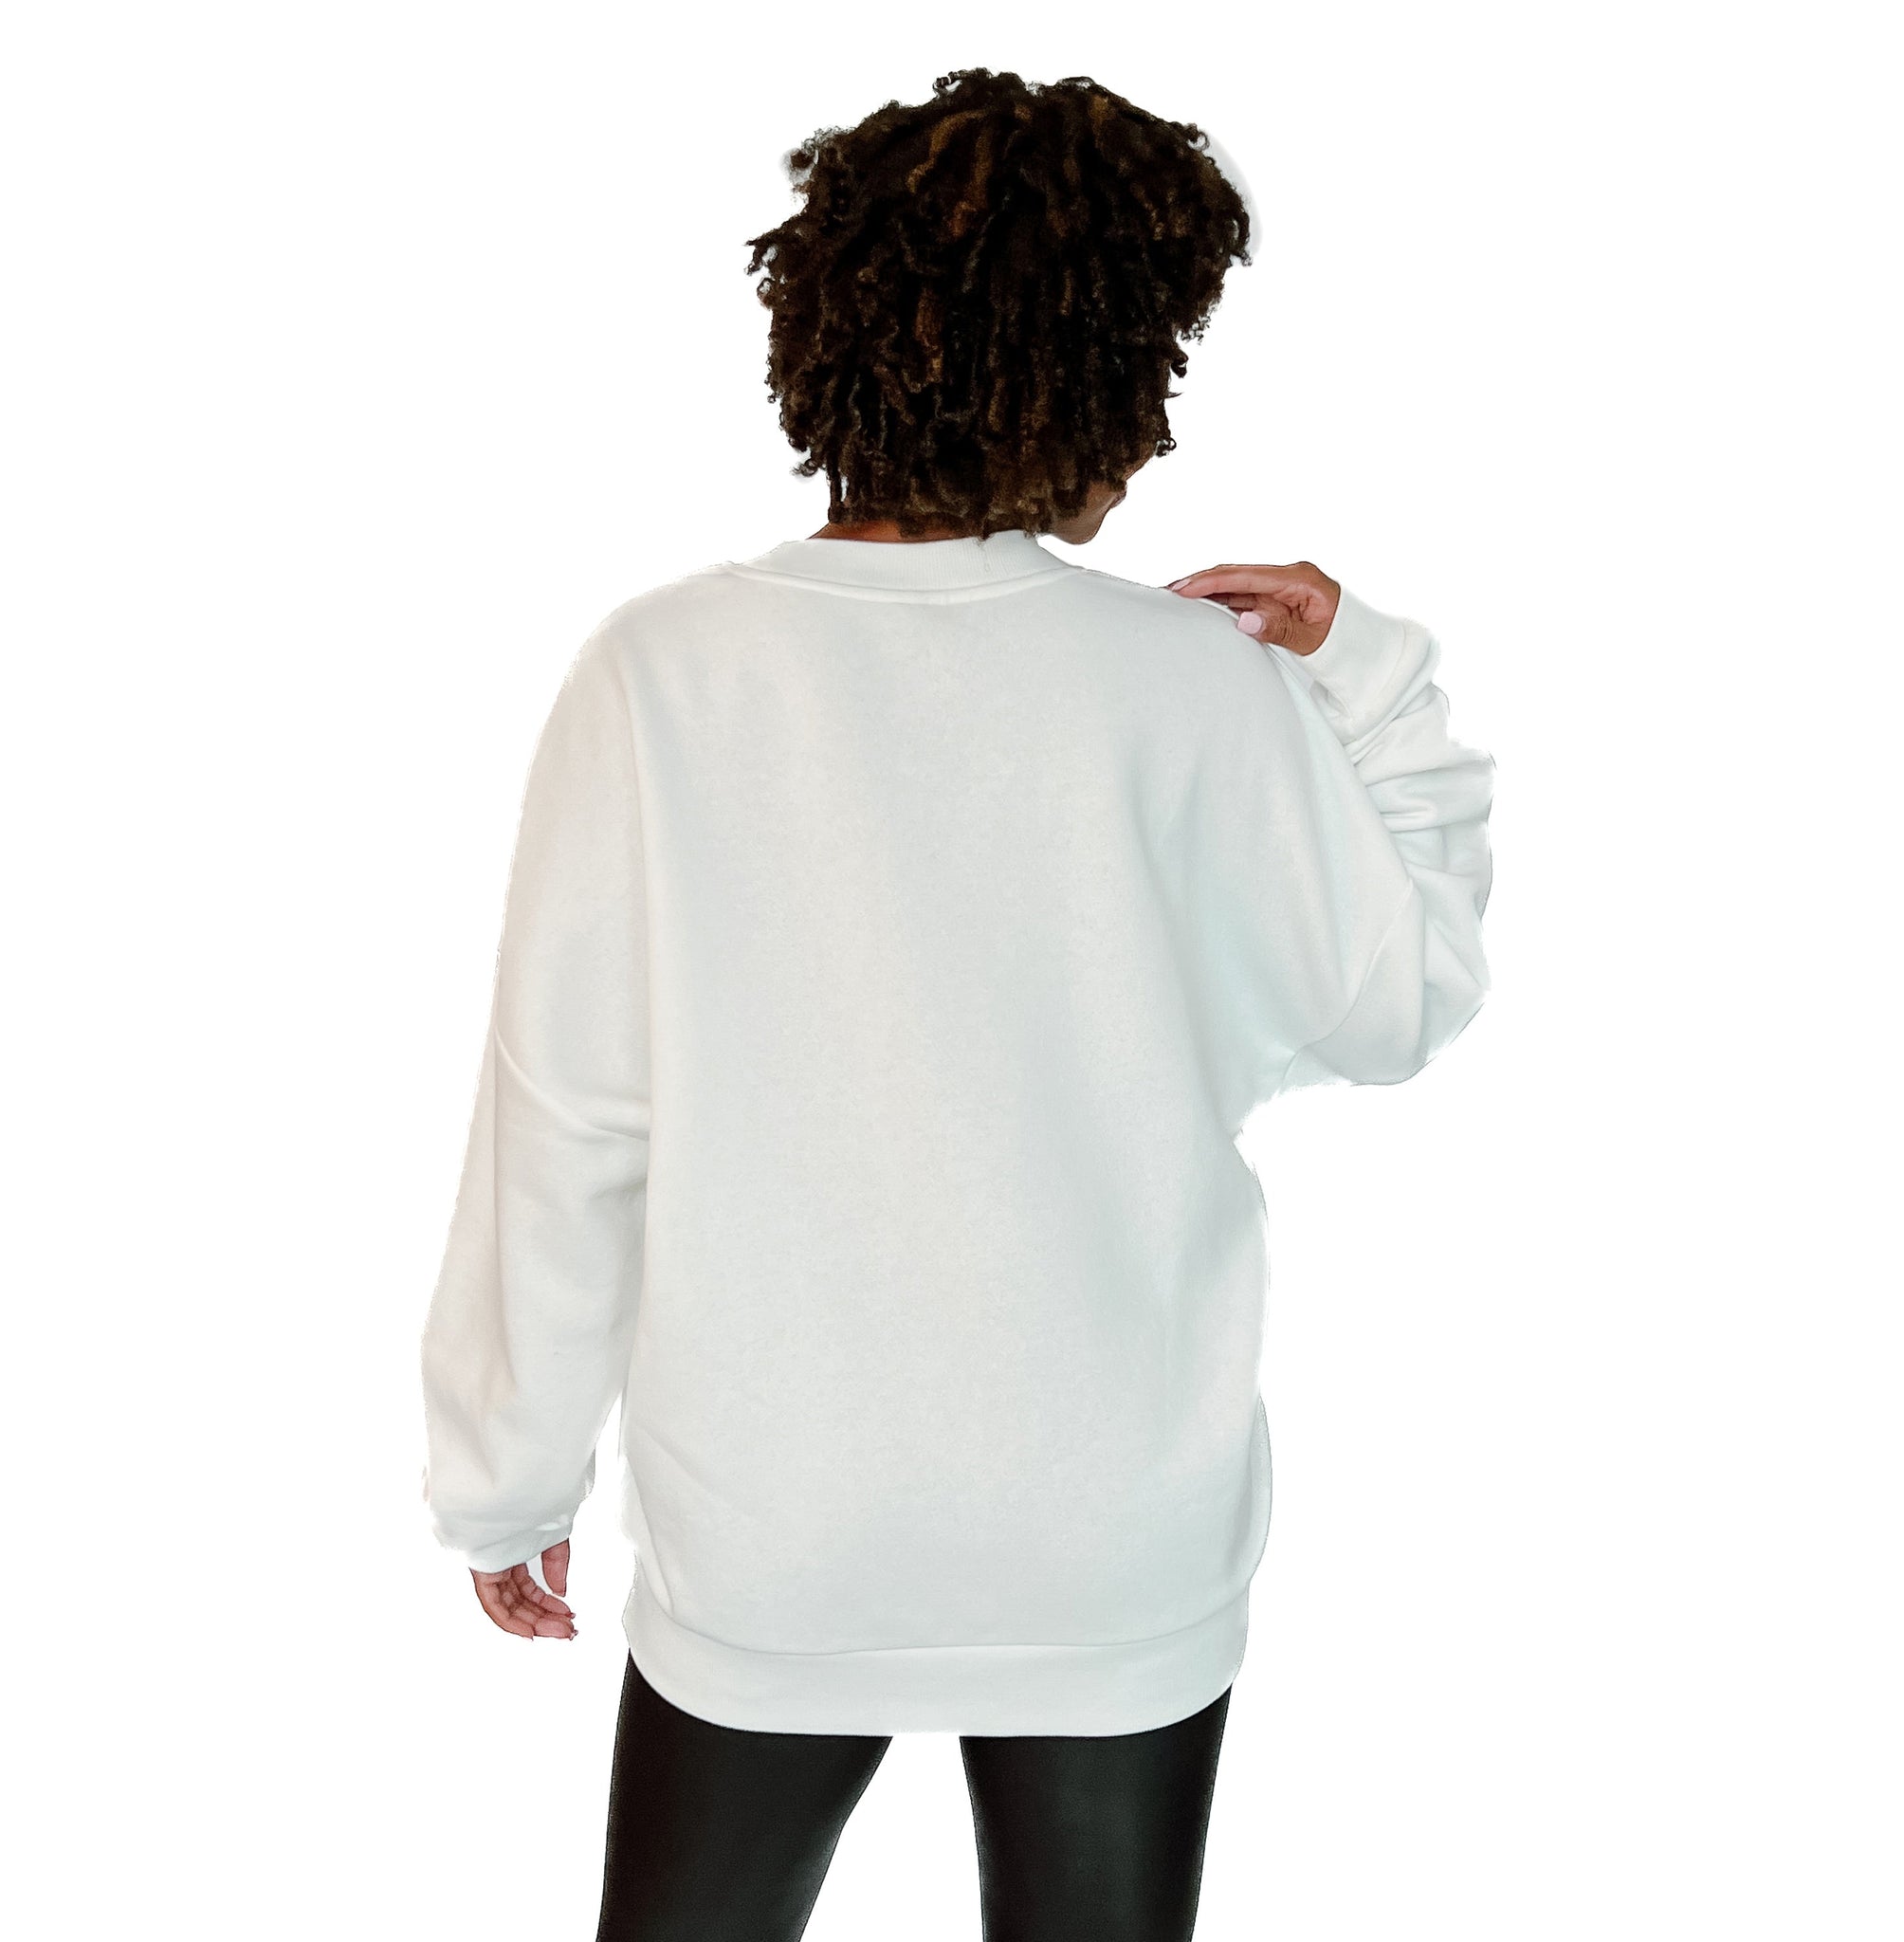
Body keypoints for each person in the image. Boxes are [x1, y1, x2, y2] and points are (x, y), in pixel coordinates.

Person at [419, 65, 1494, 1942]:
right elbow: (1395, 1006)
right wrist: (1373, 679)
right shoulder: (1197, 682)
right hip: (1113, 1536)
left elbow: (571, 1118)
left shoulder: (663, 671)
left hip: (776, 1533)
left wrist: (507, 1476)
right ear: (1100, 375)